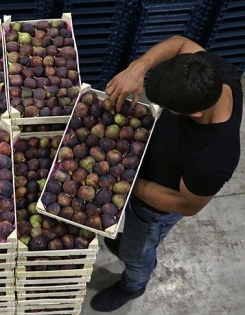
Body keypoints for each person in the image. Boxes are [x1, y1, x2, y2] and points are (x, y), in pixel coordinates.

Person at [89, 35, 243, 312]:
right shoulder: (213, 72)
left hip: (153, 210)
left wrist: (128, 181)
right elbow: (181, 42)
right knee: (126, 237)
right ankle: (125, 244)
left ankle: (134, 284)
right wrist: (139, 66)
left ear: (194, 113)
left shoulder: (213, 158)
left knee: (137, 251)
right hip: (145, 171)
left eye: (168, 109)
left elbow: (185, 204)